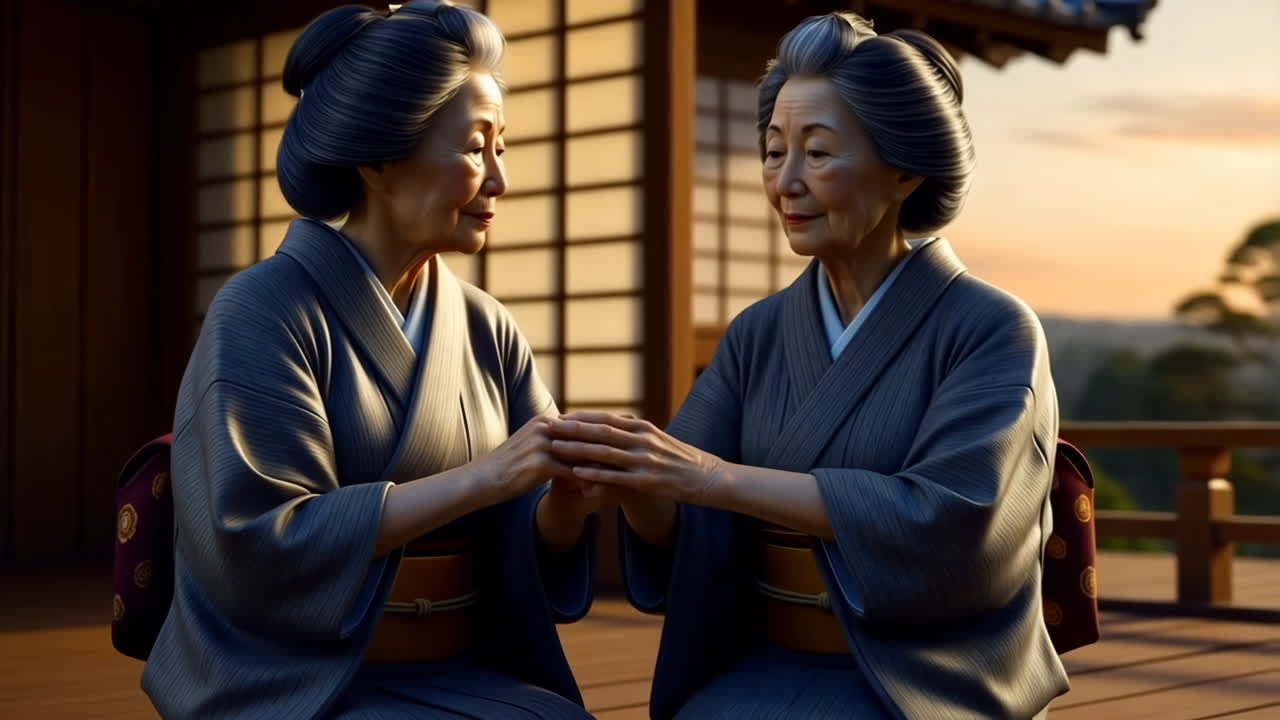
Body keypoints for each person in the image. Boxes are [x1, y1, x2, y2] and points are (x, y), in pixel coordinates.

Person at [549, 12, 1068, 720]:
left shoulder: (990, 330)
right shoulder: (758, 334)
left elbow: (953, 526)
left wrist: (710, 478)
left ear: (904, 169)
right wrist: (631, 475)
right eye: (772, 151)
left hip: (917, 677)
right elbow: (687, 514)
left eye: (817, 153)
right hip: (763, 655)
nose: (785, 182)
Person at [142, 3, 603, 718]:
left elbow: (524, 533)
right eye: (476, 148)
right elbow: (257, 543)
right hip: (298, 681)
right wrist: (482, 478)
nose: (499, 181)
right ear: (379, 159)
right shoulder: (263, 310)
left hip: (459, 661)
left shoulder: (488, 329)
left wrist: (565, 502)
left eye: (501, 148)